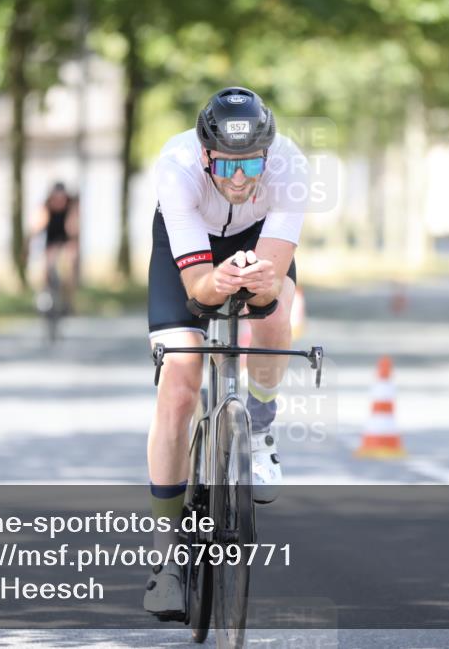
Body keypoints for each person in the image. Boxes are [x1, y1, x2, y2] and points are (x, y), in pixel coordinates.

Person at [143, 87, 307, 617]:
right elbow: (197, 290)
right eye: (228, 165)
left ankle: (257, 427)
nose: (240, 178)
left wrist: (260, 283)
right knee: (180, 382)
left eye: (251, 163)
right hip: (188, 245)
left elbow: (269, 287)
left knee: (278, 311)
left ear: (268, 153)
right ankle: (166, 561)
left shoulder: (289, 168)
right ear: (206, 155)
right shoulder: (177, 168)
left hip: (257, 236)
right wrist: (220, 281)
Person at [27, 182, 80, 313]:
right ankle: (43, 294)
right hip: (50, 241)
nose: (58, 202)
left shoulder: (70, 206)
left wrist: (72, 241)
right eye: (56, 198)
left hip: (66, 239)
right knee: (46, 265)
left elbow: (73, 229)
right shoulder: (46, 206)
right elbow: (36, 227)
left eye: (61, 198)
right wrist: (28, 245)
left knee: (70, 262)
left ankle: (68, 301)